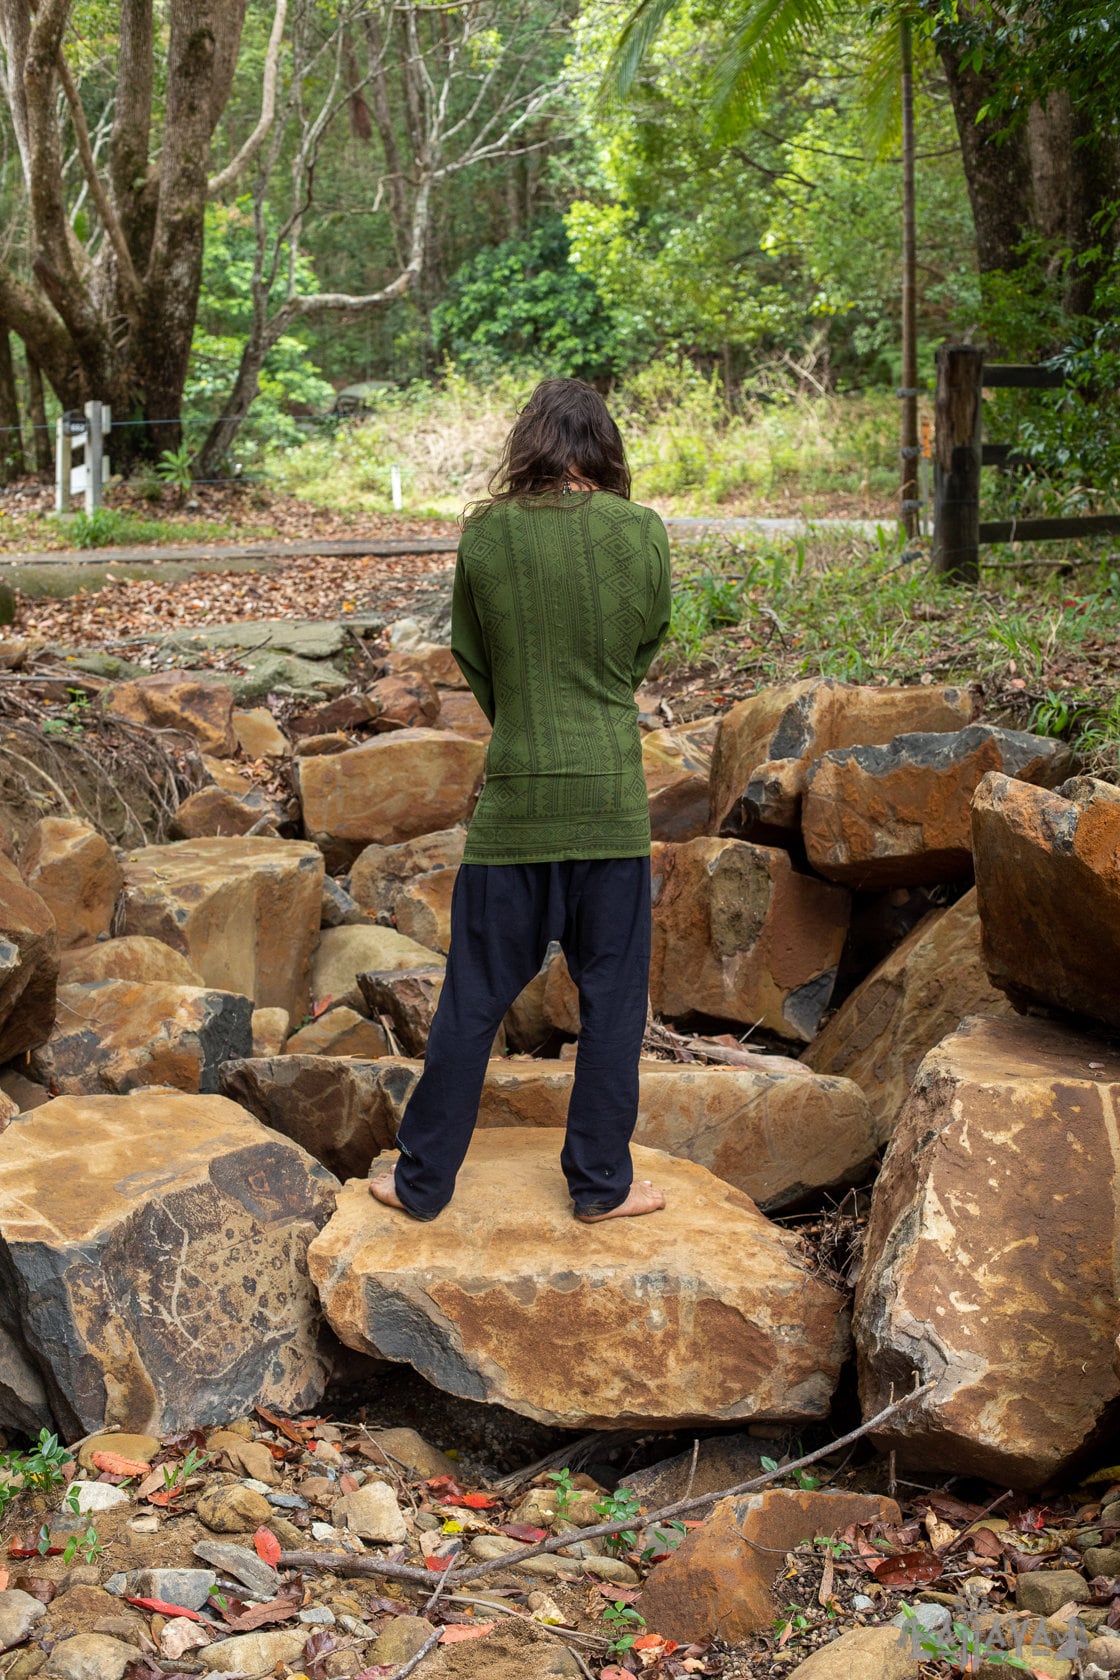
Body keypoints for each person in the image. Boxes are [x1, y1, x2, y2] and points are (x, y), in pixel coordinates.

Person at [370, 377, 672, 1224]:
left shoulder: (486, 535)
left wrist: (530, 723)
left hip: (513, 813)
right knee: (613, 1005)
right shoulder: (642, 531)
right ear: (604, 448)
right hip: (611, 808)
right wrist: (593, 707)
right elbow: (643, 646)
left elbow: (474, 655)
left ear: (529, 444)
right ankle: (601, 1187)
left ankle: (421, 1184)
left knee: (472, 999)